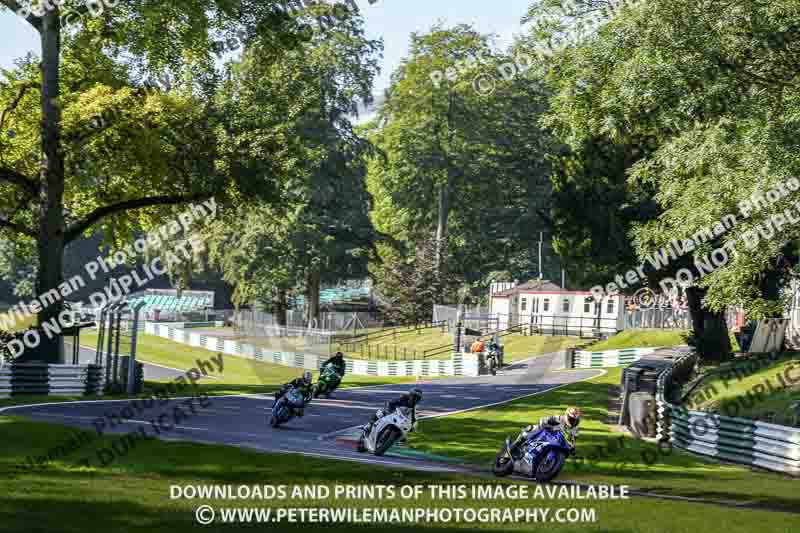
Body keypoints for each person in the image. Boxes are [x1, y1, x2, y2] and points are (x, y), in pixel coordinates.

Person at [511, 407, 582, 449]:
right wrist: (547, 426)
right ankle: (515, 446)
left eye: (576, 420)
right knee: (533, 428)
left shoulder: (575, 429)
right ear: (567, 416)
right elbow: (543, 420)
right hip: (545, 434)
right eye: (572, 419)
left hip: (554, 441)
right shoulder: (559, 418)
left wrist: (572, 448)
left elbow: (573, 442)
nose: (574, 421)